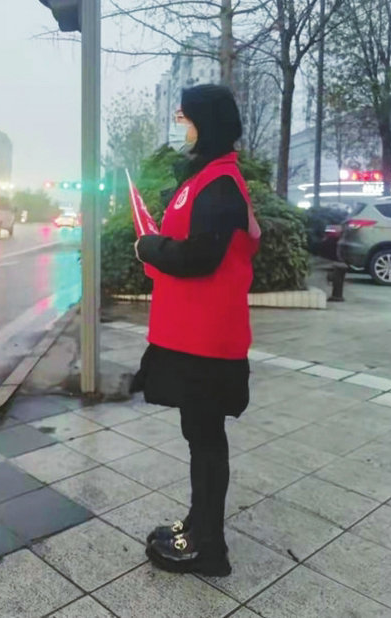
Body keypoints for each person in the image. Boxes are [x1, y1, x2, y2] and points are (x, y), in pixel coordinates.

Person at [131, 83, 260, 578]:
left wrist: (148, 247)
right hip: (191, 333)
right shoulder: (207, 176)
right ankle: (197, 524)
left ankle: (209, 549)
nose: (179, 124)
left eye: (184, 117)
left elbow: (202, 256)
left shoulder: (221, 183)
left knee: (205, 439)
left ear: (206, 122)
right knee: (199, 434)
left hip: (207, 339)